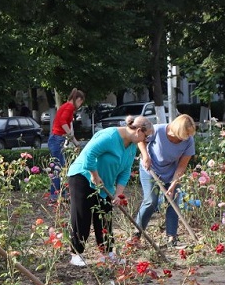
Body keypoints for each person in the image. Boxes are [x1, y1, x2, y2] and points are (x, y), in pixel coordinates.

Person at [66, 115, 153, 267]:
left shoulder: (131, 146)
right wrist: (94, 175)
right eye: (146, 137)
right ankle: (76, 254)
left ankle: (107, 253)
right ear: (139, 131)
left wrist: (118, 194)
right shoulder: (110, 136)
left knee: (105, 217)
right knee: (82, 216)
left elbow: (125, 171)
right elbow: (88, 155)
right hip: (83, 176)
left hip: (104, 183)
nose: (145, 141)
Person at [129, 114, 196, 248]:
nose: (188, 137)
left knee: (173, 201)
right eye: (186, 134)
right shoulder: (158, 130)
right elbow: (141, 140)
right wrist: (145, 156)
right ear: (178, 130)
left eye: (189, 134)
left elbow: (182, 166)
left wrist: (173, 184)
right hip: (150, 169)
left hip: (172, 172)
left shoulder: (189, 141)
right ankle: (136, 235)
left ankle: (172, 238)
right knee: (151, 201)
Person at [48, 88, 85, 202]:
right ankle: (55, 195)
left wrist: (75, 141)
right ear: (78, 99)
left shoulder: (66, 106)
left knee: (61, 167)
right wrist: (71, 137)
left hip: (56, 139)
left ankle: (61, 194)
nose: (80, 105)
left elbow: (68, 125)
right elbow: (63, 122)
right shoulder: (69, 107)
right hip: (57, 139)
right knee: (58, 168)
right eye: (80, 102)